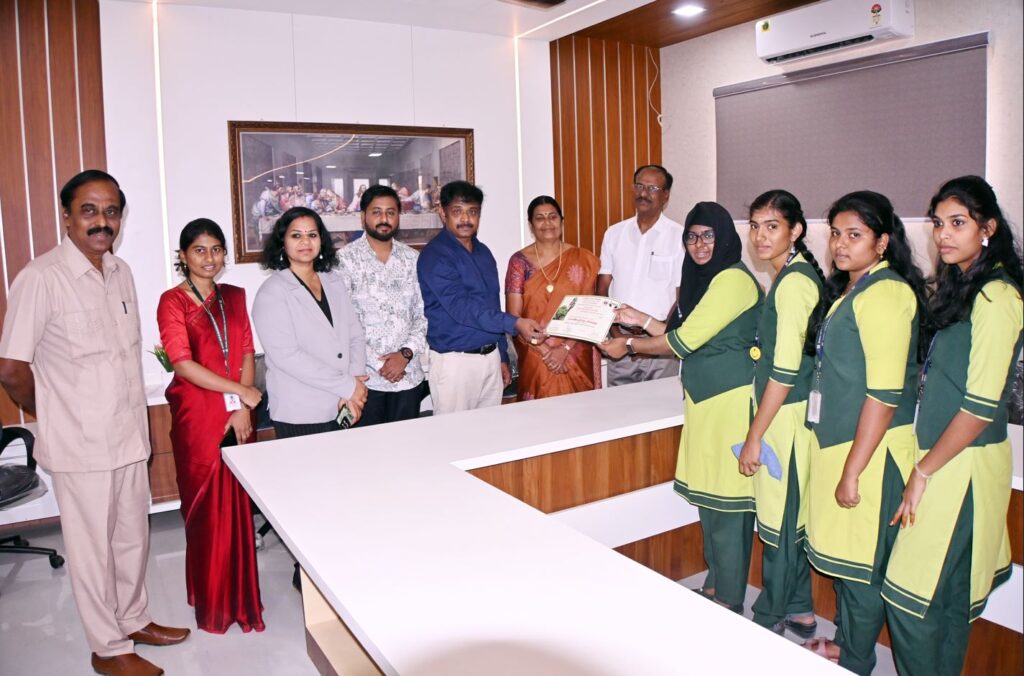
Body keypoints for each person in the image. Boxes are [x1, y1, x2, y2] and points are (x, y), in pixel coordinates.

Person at [0, 170, 189, 676]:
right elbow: (12, 368)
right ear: (66, 217)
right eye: (89, 210)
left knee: (132, 538)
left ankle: (134, 619)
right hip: (80, 444)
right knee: (91, 552)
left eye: (111, 211)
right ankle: (107, 648)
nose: (101, 221)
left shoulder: (120, 271)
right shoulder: (41, 278)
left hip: (128, 436)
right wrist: (57, 414)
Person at [882, 176, 1023, 676]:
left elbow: (980, 407)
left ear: (988, 228)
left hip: (961, 466)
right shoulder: (966, 287)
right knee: (945, 601)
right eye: (939, 223)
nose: (943, 234)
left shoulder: (997, 297)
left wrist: (923, 472)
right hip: (949, 457)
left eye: (958, 223)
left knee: (911, 600)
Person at [602, 201, 762, 614]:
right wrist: (640, 319)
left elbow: (683, 342)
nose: (699, 245)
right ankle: (716, 584)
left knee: (727, 504)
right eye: (691, 237)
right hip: (705, 403)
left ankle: (729, 598)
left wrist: (630, 345)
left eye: (708, 236)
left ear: (724, 238)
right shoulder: (706, 280)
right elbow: (684, 333)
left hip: (730, 404)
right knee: (710, 500)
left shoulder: (732, 280)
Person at [800, 191, 928, 674]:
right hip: (841, 441)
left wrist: (853, 471)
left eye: (854, 234)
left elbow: (884, 394)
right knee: (847, 560)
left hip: (870, 451)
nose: (840, 243)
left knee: (863, 566)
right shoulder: (854, 289)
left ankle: (856, 660)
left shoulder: (886, 294)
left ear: (882, 242)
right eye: (836, 233)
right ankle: (848, 646)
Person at [156, 218, 265, 634]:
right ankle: (213, 603)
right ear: (183, 256)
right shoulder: (172, 302)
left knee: (237, 505)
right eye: (199, 250)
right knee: (205, 509)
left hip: (237, 411)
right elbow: (183, 365)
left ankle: (240, 598)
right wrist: (241, 391)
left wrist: (242, 405)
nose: (209, 258)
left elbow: (246, 351)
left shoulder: (234, 296)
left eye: (216, 249)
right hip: (197, 416)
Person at [736, 190, 825, 637]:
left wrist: (755, 436)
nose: (760, 236)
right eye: (755, 226)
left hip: (786, 418)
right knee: (786, 516)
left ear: (796, 230)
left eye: (772, 226)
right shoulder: (787, 275)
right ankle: (802, 609)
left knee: (781, 524)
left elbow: (785, 372)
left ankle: (769, 619)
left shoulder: (793, 283)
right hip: (782, 412)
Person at [417, 181, 545, 414]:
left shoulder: (484, 253)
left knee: (489, 431)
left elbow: (491, 305)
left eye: (473, 212)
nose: (466, 219)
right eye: (457, 211)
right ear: (442, 213)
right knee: (453, 434)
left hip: (490, 359)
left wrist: (502, 355)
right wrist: (515, 323)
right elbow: (462, 308)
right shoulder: (435, 255)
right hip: (455, 364)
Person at [252, 206, 368, 438]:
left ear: (321, 240)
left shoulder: (333, 281)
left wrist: (354, 385)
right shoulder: (272, 292)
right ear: (282, 242)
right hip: (301, 410)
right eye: (296, 235)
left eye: (312, 234)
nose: (305, 241)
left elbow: (355, 335)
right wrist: (348, 386)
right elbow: (287, 356)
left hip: (344, 403)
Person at [338, 185, 428, 426]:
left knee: (407, 446)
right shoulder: (344, 261)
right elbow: (342, 323)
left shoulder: (413, 259)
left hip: (408, 377)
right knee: (367, 448)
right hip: (365, 381)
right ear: (363, 217)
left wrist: (405, 355)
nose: (384, 219)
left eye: (390, 212)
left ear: (398, 217)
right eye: (376, 212)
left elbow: (423, 314)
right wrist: (383, 364)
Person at [505, 195, 601, 400]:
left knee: (581, 412)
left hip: (575, 351)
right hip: (535, 353)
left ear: (561, 221)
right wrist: (546, 351)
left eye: (552, 216)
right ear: (531, 225)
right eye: (540, 218)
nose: (547, 223)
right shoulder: (519, 262)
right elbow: (514, 317)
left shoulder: (583, 259)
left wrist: (564, 349)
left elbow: (590, 311)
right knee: (540, 414)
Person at [597, 165, 685, 386]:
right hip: (619, 340)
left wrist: (659, 339)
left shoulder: (679, 237)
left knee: (660, 404)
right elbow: (602, 287)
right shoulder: (614, 233)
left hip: (659, 345)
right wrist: (616, 333)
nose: (644, 193)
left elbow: (680, 297)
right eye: (639, 186)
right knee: (619, 404)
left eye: (653, 188)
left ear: (666, 195)